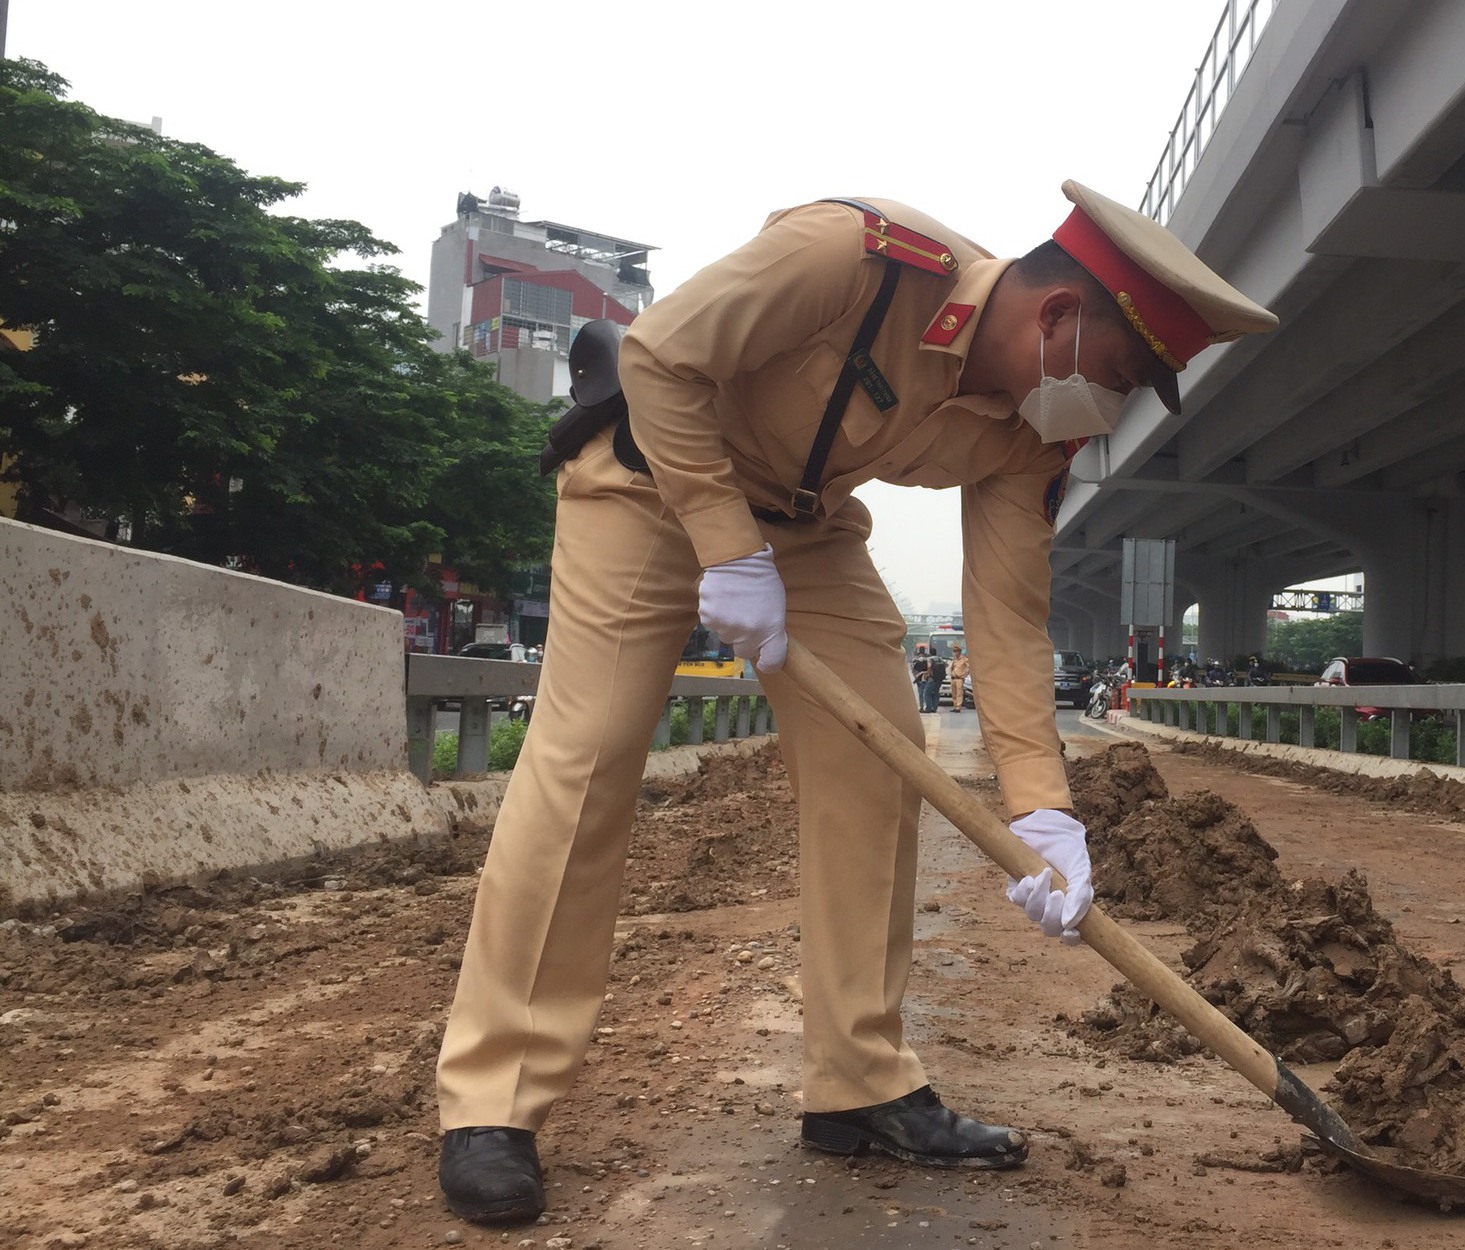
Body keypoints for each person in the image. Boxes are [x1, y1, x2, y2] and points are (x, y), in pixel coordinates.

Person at [432, 180, 1278, 1223]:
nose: (1109, 410)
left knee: (878, 765)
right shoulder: (857, 258)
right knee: (588, 756)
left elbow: (1007, 621)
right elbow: (658, 356)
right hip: (651, 481)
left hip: (805, 524)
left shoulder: (1035, 437)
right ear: (1058, 317)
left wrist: (1042, 809)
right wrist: (721, 539)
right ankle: (493, 1100)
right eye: (1113, 377)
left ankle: (859, 1080)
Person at [910, 644, 937, 712]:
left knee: (921, 694)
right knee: (928, 694)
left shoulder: (915, 661)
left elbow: (913, 670)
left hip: (919, 679)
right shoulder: (928, 660)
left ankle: (922, 707)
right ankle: (929, 707)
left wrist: (917, 676)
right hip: (927, 679)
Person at [948, 644, 971, 713]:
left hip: (959, 679)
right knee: (954, 693)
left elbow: (969, 667)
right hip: (953, 678)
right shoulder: (954, 660)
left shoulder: (964, 659)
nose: (955, 652)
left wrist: (965, 674)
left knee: (959, 693)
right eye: (954, 651)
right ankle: (955, 706)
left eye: (956, 651)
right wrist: (951, 673)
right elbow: (952, 668)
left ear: (960, 651)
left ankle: (958, 707)